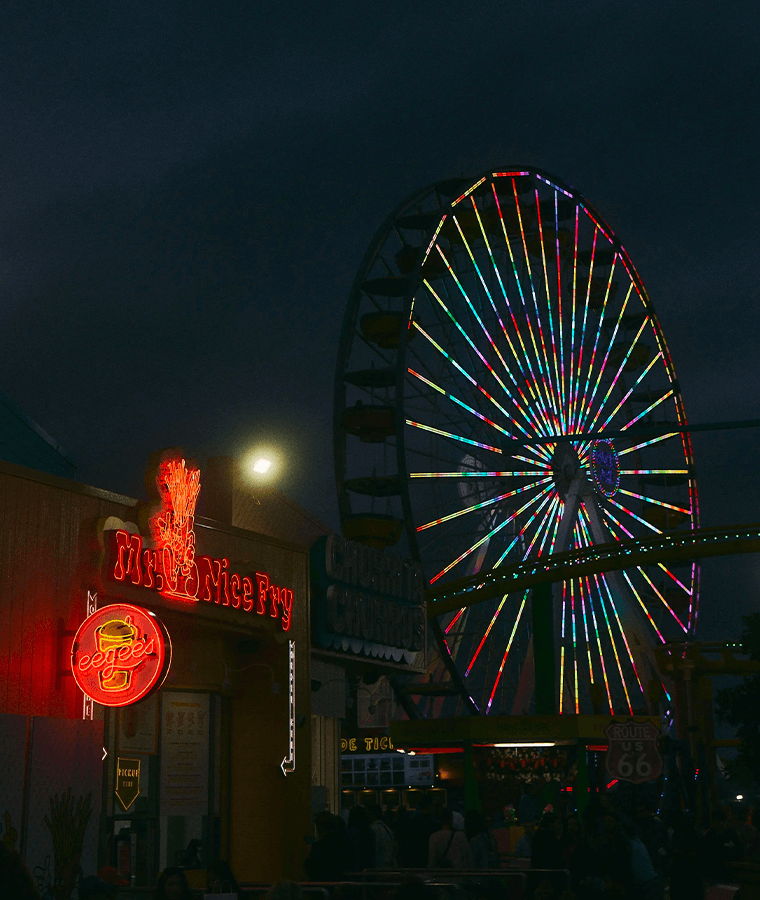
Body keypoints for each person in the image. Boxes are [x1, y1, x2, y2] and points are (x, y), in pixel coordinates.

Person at [398, 793, 438, 868]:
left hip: (413, 857)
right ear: (429, 805)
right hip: (427, 856)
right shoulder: (433, 821)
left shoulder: (411, 819)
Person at [367, 804, 396, 869]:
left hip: (380, 865)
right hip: (389, 863)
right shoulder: (386, 828)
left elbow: (375, 849)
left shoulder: (373, 829)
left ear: (372, 814)